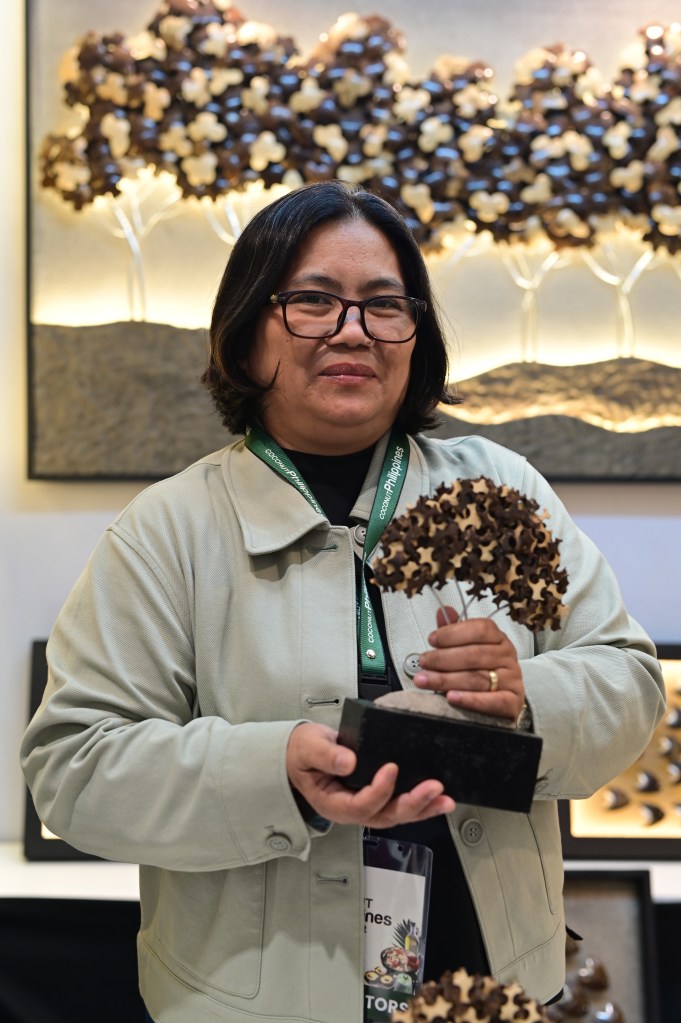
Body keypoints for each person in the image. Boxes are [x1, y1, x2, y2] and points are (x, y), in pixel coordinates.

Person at [21, 181, 664, 1023]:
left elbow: (628, 680)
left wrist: (525, 697)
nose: (353, 329)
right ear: (246, 331)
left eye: (384, 305)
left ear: (415, 334)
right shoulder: (169, 530)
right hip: (259, 1001)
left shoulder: (498, 491)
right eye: (314, 301)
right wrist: (275, 773)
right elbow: (73, 768)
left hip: (490, 981)